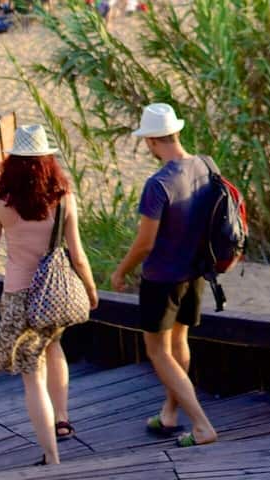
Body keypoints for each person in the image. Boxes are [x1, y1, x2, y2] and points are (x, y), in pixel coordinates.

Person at [0, 124, 99, 466]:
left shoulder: (2, 205)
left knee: (32, 378)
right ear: (47, 161)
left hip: (19, 299)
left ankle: (52, 458)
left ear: (13, 163)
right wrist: (89, 289)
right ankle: (63, 419)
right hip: (55, 295)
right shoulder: (64, 199)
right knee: (54, 345)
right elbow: (78, 255)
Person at [109, 103, 218, 448]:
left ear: (153, 141)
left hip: (162, 277)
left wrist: (121, 271)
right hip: (195, 271)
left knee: (157, 351)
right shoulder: (206, 166)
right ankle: (170, 414)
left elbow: (145, 243)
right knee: (179, 342)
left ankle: (201, 426)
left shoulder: (158, 184)